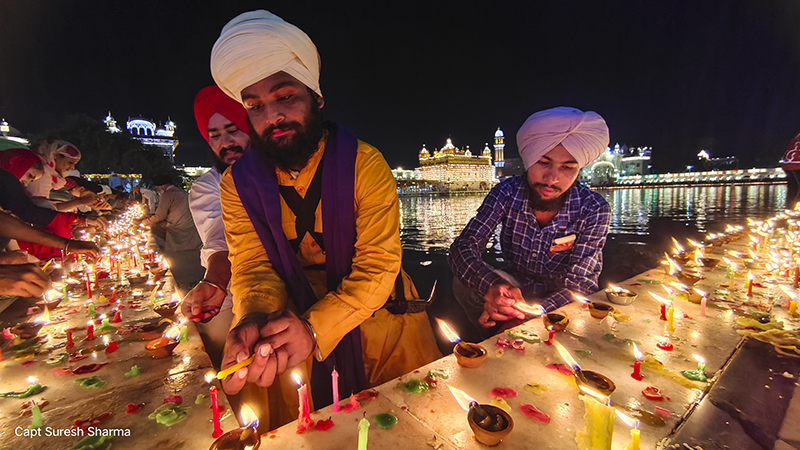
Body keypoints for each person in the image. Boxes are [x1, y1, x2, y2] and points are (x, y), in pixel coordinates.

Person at [210, 10, 441, 431]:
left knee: (402, 428)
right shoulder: (236, 185)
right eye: (256, 106)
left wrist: (314, 331)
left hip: (381, 323)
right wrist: (251, 320)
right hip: (287, 325)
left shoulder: (365, 164)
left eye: (285, 97)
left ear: (316, 98)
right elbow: (253, 267)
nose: (273, 117)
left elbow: (379, 264)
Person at [449, 107, 611, 337]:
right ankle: (494, 333)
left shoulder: (593, 209)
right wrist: (492, 287)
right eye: (543, 162)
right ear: (529, 159)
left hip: (560, 298)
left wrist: (531, 316)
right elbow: (463, 247)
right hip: (514, 289)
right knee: (462, 281)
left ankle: (504, 332)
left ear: (578, 169)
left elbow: (580, 285)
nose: (552, 178)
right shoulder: (507, 193)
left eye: (567, 167)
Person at [181, 84, 251, 369]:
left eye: (233, 130)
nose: (226, 142)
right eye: (215, 136)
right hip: (228, 288)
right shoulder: (208, 187)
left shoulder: (281, 175)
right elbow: (220, 239)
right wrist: (215, 282)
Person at [139, 175, 204, 293]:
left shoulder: (168, 194)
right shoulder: (181, 192)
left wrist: (144, 223)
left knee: (177, 256)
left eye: (157, 188)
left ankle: (185, 281)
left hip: (179, 229)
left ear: (162, 186)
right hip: (191, 229)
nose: (157, 190)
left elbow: (159, 216)